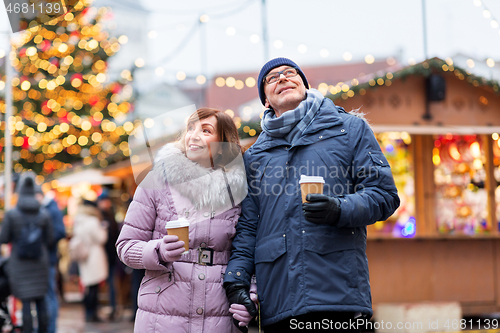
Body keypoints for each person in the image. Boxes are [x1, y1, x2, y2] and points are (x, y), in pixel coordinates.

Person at [223, 58, 401, 333]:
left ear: (305, 86)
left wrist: (340, 209)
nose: (282, 78)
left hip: (339, 295)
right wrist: (236, 280)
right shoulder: (255, 157)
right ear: (266, 102)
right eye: (272, 78)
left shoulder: (349, 129)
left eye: (290, 73)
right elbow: (248, 226)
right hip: (278, 302)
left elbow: (384, 195)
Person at [116, 108, 251, 332]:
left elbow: (248, 250)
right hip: (162, 313)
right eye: (190, 128)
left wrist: (250, 293)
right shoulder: (157, 181)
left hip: (219, 312)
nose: (194, 135)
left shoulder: (239, 191)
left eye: (206, 130)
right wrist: (157, 251)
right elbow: (125, 246)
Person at [0, 172, 54, 333]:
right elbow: (50, 239)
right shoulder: (44, 215)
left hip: (19, 263)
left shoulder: (12, 215)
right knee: (41, 301)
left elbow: (3, 238)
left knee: (25, 302)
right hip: (40, 262)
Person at [35, 187, 66, 333]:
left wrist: (44, 240)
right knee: (48, 295)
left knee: (49, 295)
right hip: (46, 259)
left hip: (49, 259)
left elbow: (60, 232)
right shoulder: (48, 208)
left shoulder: (51, 210)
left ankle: (51, 328)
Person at [72, 199, 108, 322]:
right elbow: (101, 238)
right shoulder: (93, 221)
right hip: (94, 255)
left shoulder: (78, 221)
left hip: (84, 255)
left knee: (88, 285)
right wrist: (104, 229)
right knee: (94, 286)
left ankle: (88, 312)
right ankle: (92, 313)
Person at [97, 189, 119, 320]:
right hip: (102, 256)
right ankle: (102, 308)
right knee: (101, 283)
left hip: (111, 256)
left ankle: (113, 307)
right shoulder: (99, 216)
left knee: (111, 282)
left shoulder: (111, 215)